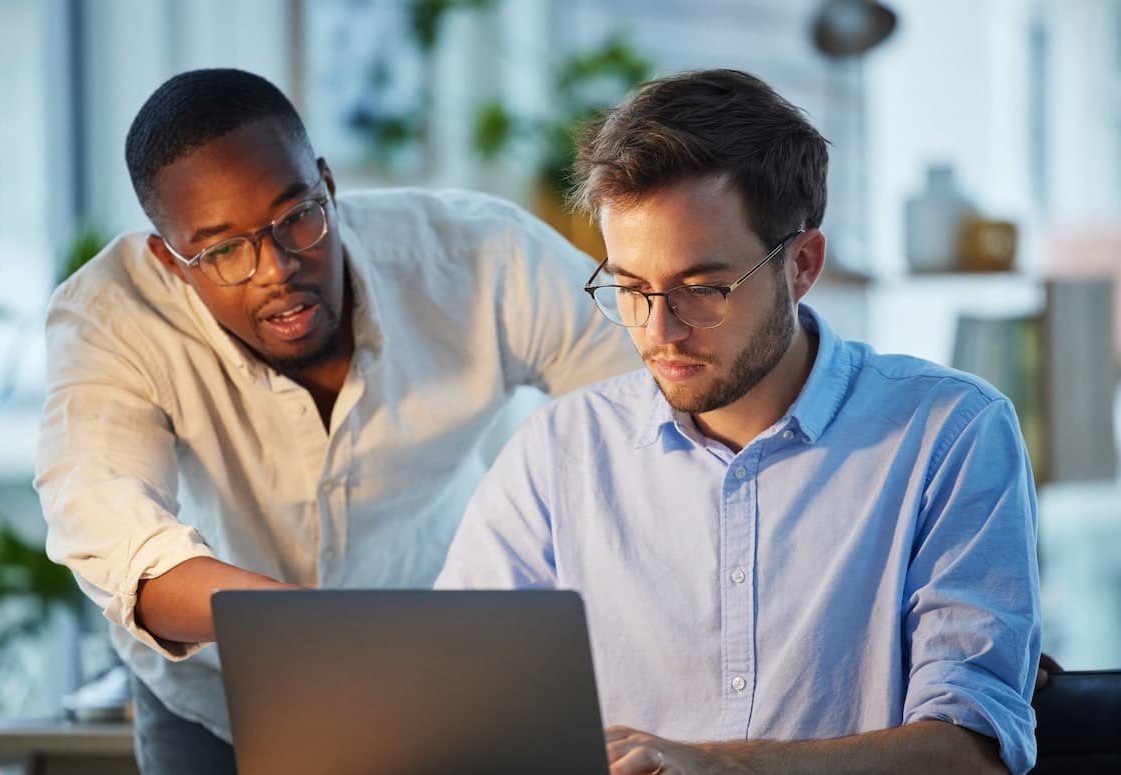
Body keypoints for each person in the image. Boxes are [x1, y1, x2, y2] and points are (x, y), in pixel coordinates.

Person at [34, 68, 638, 774]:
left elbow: (641, 402)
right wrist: (320, 634)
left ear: (326, 180)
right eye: (224, 249)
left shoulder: (478, 257)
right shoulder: (110, 319)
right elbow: (116, 539)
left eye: (297, 216)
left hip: (436, 676)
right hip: (213, 697)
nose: (277, 269)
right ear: (170, 259)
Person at [437, 69, 1041, 774]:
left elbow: (971, 751)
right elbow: (460, 710)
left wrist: (718, 765)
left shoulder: (950, 434)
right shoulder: (556, 451)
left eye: (701, 288)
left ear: (802, 265)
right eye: (631, 288)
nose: (659, 329)